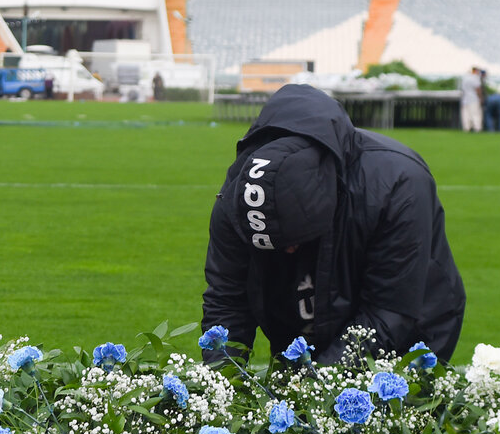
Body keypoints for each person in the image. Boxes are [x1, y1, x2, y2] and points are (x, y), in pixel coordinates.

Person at [201, 84, 464, 365]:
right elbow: (228, 302)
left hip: (408, 332)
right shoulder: (238, 200)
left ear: (325, 204)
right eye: (273, 247)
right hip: (300, 326)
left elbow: (388, 312)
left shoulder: (398, 183)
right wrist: (224, 388)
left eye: (294, 241)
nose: (287, 252)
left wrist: (318, 387)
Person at [459, 66, 483, 132]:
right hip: (474, 98)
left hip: (465, 99)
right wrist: (481, 98)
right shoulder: (475, 78)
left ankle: (467, 128)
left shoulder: (465, 78)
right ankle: (477, 128)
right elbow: (478, 89)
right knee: (475, 114)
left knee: (466, 114)